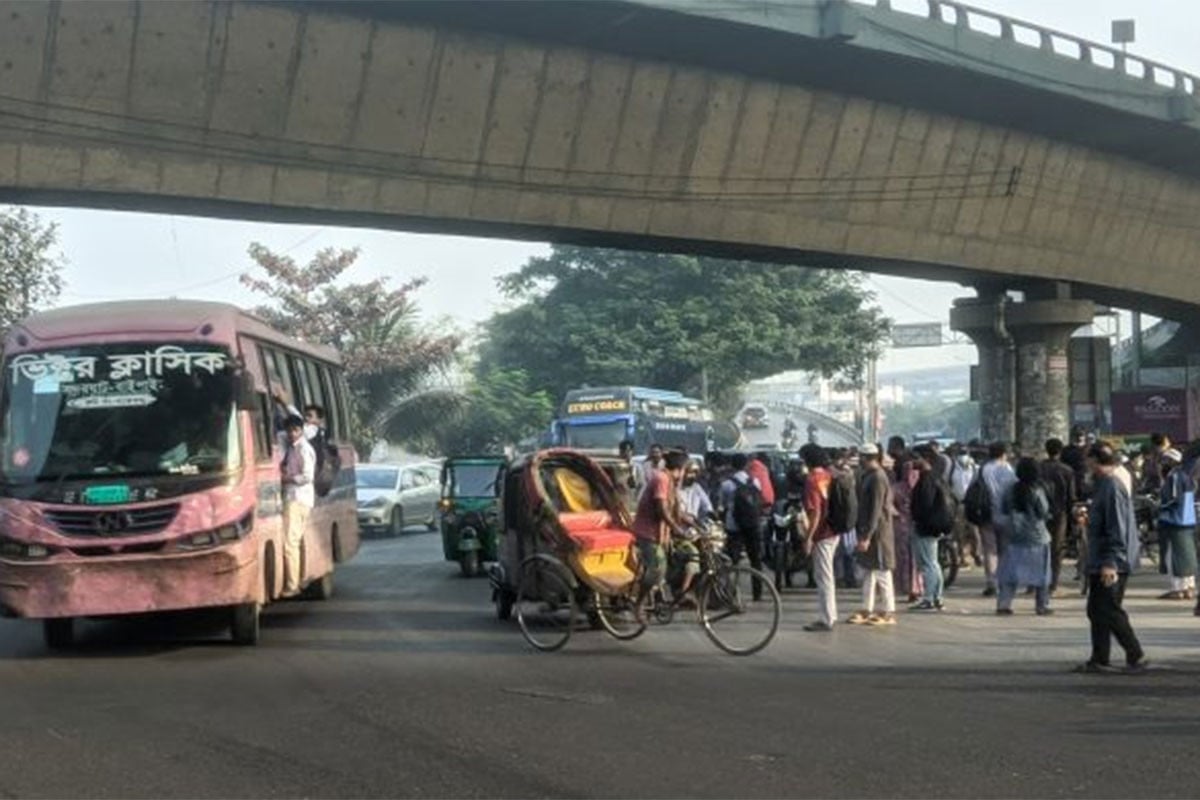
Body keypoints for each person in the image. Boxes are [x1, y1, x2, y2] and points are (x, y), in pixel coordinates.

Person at [1076, 442, 1147, 674]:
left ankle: (1135, 654)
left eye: (1088, 459)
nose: (1086, 464)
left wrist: (1111, 562)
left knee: (1108, 608)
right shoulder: (1102, 486)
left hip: (1112, 560)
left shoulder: (1112, 487)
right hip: (1101, 558)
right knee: (1096, 609)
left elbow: (1118, 527)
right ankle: (1099, 657)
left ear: (1096, 461)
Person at [632, 450, 689, 616]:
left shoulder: (671, 482)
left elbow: (677, 511)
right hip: (647, 533)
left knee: (672, 562)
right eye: (685, 469)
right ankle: (639, 604)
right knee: (657, 569)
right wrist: (677, 529)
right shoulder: (661, 479)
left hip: (660, 534)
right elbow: (662, 510)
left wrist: (695, 524)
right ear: (679, 468)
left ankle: (661, 596)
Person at [996, 457, 1054, 616]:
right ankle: (1042, 605)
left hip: (1015, 535)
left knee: (1010, 572)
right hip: (1037, 535)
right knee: (1042, 574)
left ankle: (1004, 603)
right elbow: (1043, 512)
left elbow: (1003, 508)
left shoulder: (1010, 490)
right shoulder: (1037, 490)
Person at [848, 444, 897, 626]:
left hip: (878, 532)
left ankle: (888, 611)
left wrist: (867, 536)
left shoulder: (877, 477)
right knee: (869, 571)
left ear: (866, 457)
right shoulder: (868, 475)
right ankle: (866, 608)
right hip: (868, 530)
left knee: (882, 571)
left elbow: (876, 510)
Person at [800, 444, 838, 632]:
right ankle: (830, 614)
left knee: (823, 577)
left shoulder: (811, 480)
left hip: (821, 532)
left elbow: (815, 513)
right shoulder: (827, 476)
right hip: (833, 529)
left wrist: (808, 538)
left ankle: (826, 618)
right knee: (826, 575)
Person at [910, 447, 953, 611]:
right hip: (933, 526)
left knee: (928, 563)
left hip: (926, 527)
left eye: (916, 457)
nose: (913, 461)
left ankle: (929, 598)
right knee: (933, 563)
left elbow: (924, 505)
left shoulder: (926, 480)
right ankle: (937, 597)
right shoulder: (936, 477)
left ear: (926, 458)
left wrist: (918, 520)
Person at [720, 453, 766, 600]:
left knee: (732, 561)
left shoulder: (726, 484)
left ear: (732, 465)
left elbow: (722, 506)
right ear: (746, 465)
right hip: (753, 524)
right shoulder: (755, 482)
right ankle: (757, 593)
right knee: (755, 559)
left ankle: (732, 593)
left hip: (734, 526)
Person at [281, 414, 316, 597]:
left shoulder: (303, 448)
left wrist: (288, 479)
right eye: (289, 430)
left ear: (301, 430)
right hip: (297, 498)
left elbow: (308, 475)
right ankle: (300, 579)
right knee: (297, 540)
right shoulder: (291, 448)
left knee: (290, 543)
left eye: (295, 430)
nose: (292, 434)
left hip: (297, 497)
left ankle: (292, 585)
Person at [1156, 447, 1197, 600]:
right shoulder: (1186, 476)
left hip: (1174, 521)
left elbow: (1173, 499)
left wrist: (1160, 508)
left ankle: (1177, 589)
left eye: (1165, 460)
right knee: (1188, 556)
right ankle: (1189, 587)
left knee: (1173, 556)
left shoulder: (1173, 477)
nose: (1162, 464)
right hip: (1188, 521)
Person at [1040, 438, 1077, 596]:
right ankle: (1053, 583)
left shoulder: (1039, 468)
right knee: (1057, 548)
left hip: (1041, 512)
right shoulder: (1067, 470)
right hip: (1060, 512)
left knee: (1041, 547)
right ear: (1060, 451)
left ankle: (1037, 581)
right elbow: (1071, 496)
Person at [980, 441, 1017, 597]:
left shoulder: (983, 469)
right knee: (1004, 550)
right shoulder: (1008, 469)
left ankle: (991, 583)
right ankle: (1004, 581)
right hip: (1006, 514)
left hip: (987, 512)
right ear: (1003, 454)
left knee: (989, 550)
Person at [948, 443, 980, 568]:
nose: (963, 456)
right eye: (960, 453)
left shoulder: (976, 468)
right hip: (958, 504)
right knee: (959, 532)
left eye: (964, 453)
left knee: (974, 531)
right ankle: (962, 556)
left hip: (972, 504)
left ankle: (976, 553)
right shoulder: (952, 468)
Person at [618, 440, 643, 511]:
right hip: (619, 501)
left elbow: (641, 484)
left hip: (633, 501)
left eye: (628, 451)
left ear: (632, 452)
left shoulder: (637, 467)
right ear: (620, 452)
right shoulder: (616, 466)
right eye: (624, 451)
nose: (626, 453)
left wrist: (636, 499)